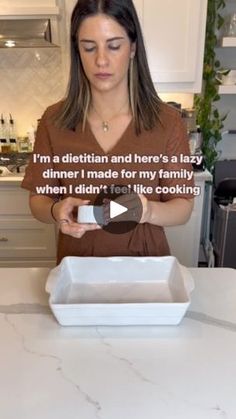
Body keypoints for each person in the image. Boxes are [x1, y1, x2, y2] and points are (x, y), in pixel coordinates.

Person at [21, 0, 194, 264]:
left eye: (114, 46)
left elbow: (182, 207)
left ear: (133, 47)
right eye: (89, 47)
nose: (101, 60)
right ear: (78, 51)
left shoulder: (167, 122)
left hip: (147, 267)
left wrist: (147, 211)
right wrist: (57, 210)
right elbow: (39, 201)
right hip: (78, 268)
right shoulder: (53, 121)